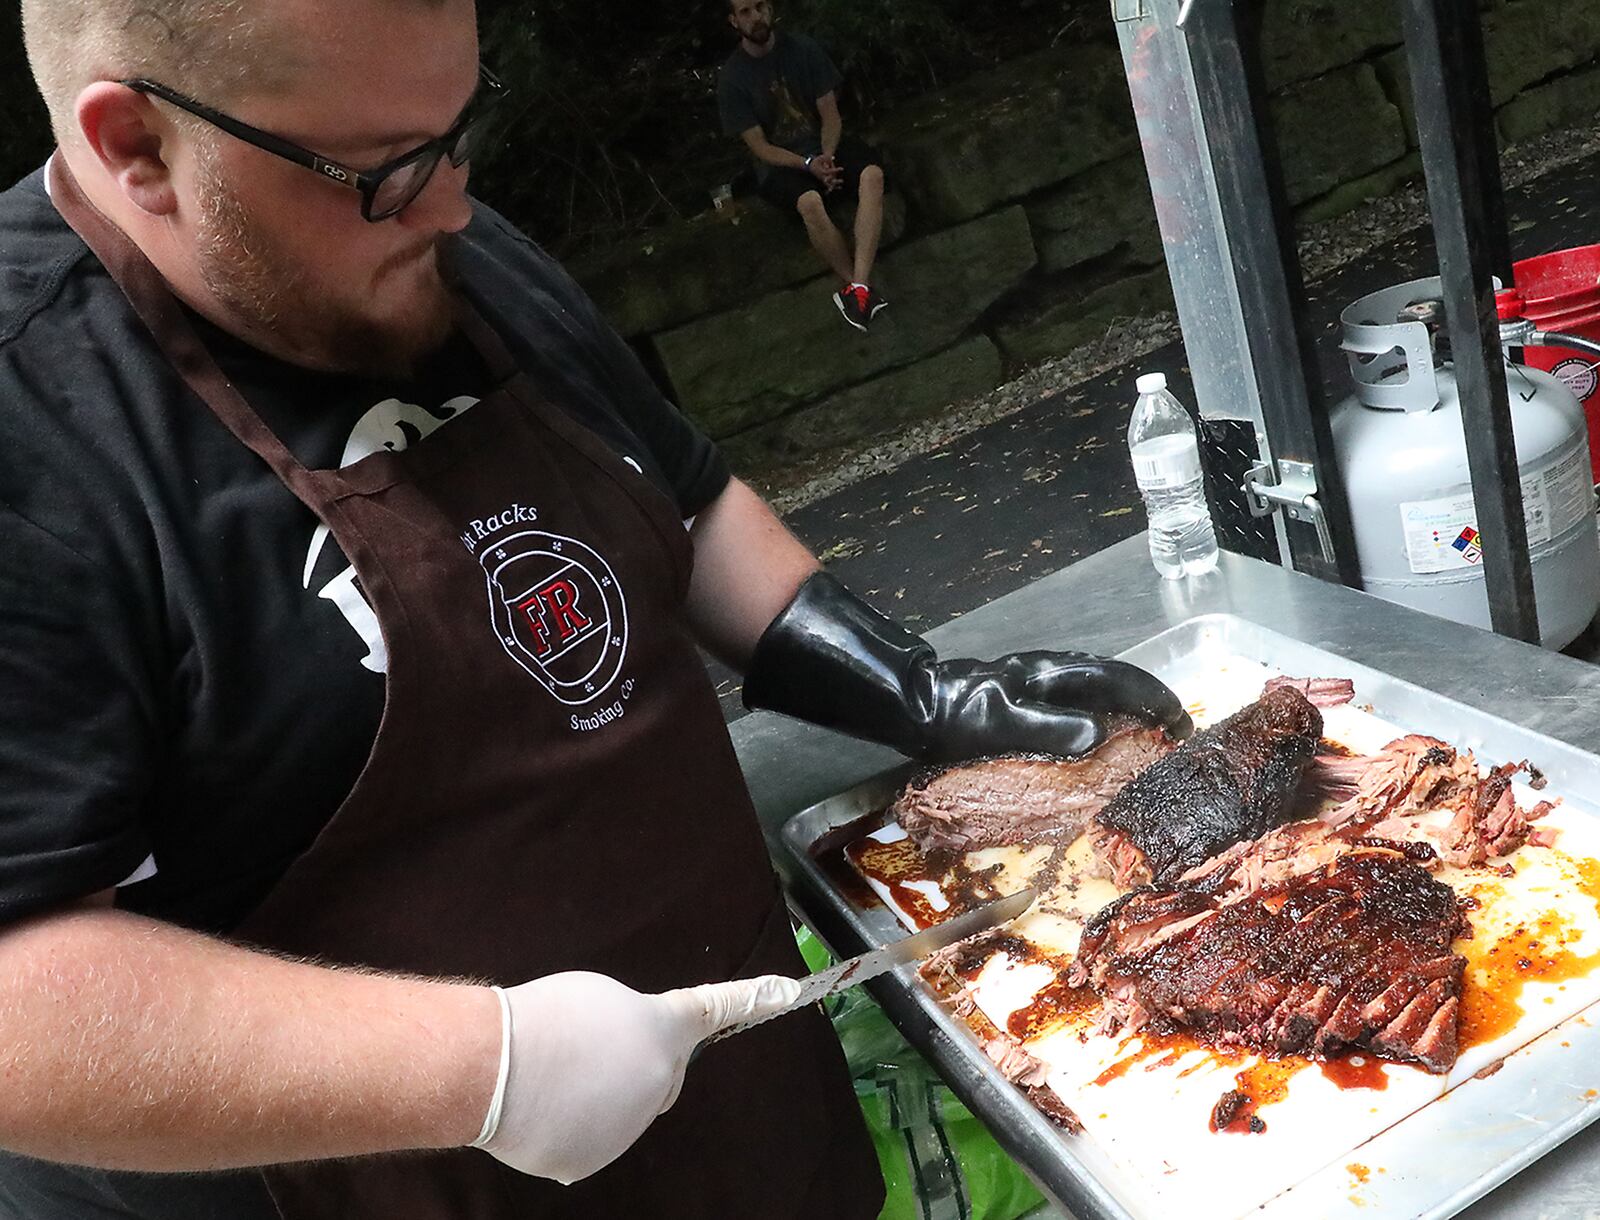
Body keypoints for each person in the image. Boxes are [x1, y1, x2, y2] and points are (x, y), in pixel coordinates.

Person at [0, 1, 1192, 1216]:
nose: (451, 202)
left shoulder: (439, 231)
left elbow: (682, 495)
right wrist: (486, 1072)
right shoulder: (32, 417)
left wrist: (908, 682)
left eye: (459, 132)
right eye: (386, 171)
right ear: (139, 146)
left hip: (748, 1123)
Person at [718, 0, 889, 333]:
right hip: (782, 164)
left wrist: (826, 156)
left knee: (873, 175)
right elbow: (760, 147)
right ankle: (854, 285)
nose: (756, 17)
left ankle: (860, 288)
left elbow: (830, 114)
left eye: (760, 7)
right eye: (745, 12)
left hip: (824, 148)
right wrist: (808, 165)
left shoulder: (802, 49)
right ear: (733, 21)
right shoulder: (733, 78)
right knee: (810, 203)